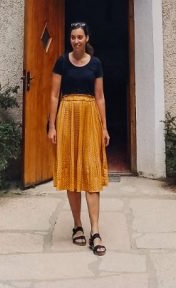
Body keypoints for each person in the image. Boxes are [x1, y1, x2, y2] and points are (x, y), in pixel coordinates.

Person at [48, 20, 109, 256]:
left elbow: (100, 97)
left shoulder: (96, 64)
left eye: (80, 37)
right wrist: (51, 125)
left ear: (87, 39)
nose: (76, 41)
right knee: (72, 172)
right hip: (67, 117)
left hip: (89, 116)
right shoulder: (62, 62)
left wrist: (104, 127)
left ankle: (95, 230)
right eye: (73, 37)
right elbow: (54, 96)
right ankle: (77, 226)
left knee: (91, 172)